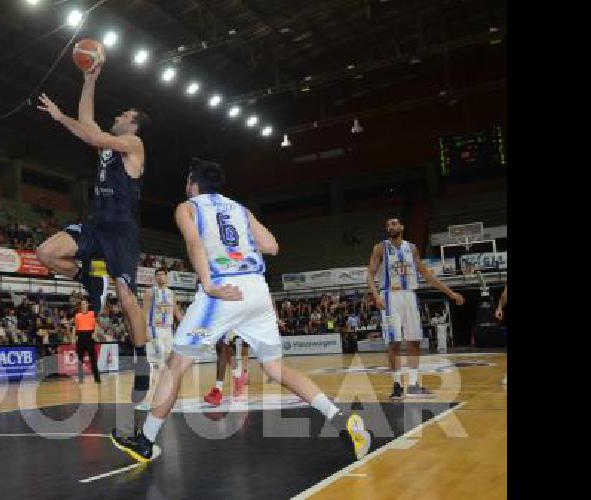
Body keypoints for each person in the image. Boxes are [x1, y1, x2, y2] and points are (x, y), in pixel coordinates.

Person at [110, 159, 371, 462]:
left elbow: (195, 244)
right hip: (258, 289)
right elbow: (272, 246)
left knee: (175, 365)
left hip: (224, 289)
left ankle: (145, 440)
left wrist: (208, 283)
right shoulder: (240, 209)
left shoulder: (188, 207)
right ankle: (342, 421)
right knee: (276, 370)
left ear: (193, 183)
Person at [35, 62, 153, 402]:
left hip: (120, 230)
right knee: (46, 253)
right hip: (96, 223)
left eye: (123, 113)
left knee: (128, 299)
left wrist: (61, 120)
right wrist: (89, 82)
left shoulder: (132, 143)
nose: (117, 115)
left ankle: (142, 366)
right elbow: (87, 124)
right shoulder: (110, 144)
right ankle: (87, 275)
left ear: (132, 123)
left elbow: (88, 132)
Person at [366, 216, 466, 401]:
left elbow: (427, 274)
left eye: (394, 223)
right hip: (389, 296)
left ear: (402, 227)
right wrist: (376, 295)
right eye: (388, 225)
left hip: (409, 295)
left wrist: (450, 293)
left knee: (414, 341)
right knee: (394, 343)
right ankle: (397, 385)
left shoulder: (411, 248)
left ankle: (413, 384)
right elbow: (370, 275)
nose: (391, 226)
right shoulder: (380, 248)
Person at [138, 268, 184, 410]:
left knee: (169, 365)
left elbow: (176, 313)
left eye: (162, 275)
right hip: (154, 330)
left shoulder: (171, 294)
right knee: (157, 366)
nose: (160, 277)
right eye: (157, 275)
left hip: (168, 331)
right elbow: (144, 313)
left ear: (167, 277)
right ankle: (150, 399)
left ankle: (167, 397)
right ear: (154, 278)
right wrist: (144, 332)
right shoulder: (149, 292)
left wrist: (187, 326)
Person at [72, 299, 101, 383]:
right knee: (80, 359)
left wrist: (95, 334)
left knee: (93, 359)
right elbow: (75, 327)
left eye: (85, 304)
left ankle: (97, 378)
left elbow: (96, 324)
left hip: (89, 337)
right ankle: (81, 378)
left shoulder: (92, 314)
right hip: (80, 337)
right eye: (82, 304)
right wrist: (74, 337)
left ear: (88, 305)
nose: (83, 305)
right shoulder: (77, 316)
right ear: (81, 306)